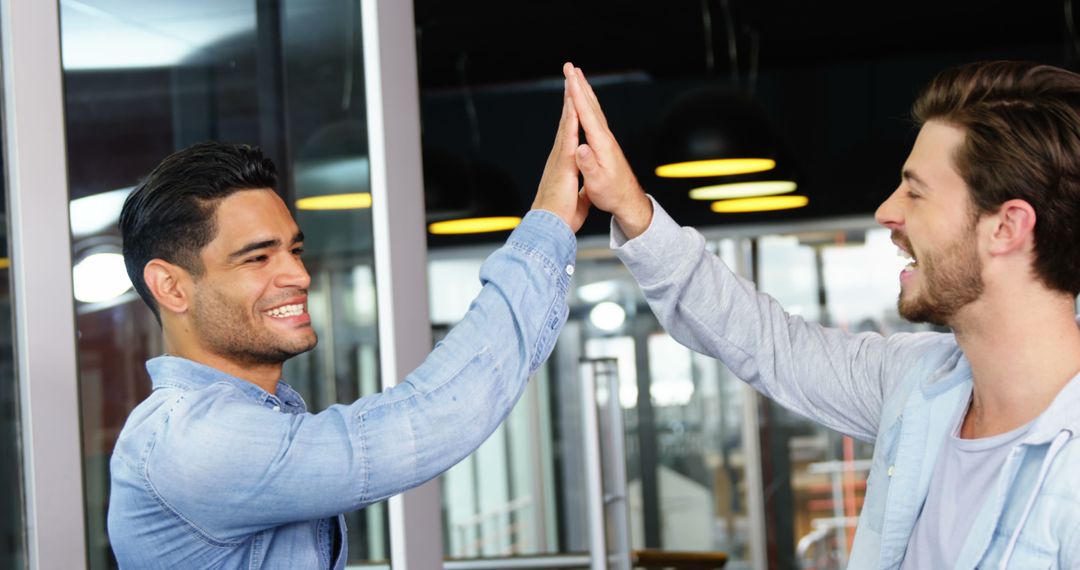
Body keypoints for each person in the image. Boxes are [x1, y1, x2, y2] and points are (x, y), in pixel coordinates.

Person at [562, 59, 1080, 568]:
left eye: (916, 192)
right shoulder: (917, 383)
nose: (886, 211)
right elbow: (765, 342)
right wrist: (633, 208)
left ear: (1007, 228)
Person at [106, 84, 590, 568]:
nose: (298, 275)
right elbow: (425, 422)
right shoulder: (192, 442)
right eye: (257, 258)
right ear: (171, 288)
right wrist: (548, 223)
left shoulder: (246, 418)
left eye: (293, 250)